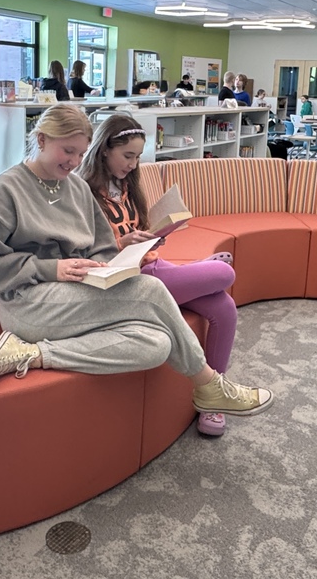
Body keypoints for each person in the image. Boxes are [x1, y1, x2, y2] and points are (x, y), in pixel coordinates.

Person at [0, 104, 274, 424]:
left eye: (80, 153)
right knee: (151, 289)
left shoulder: (76, 189)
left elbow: (100, 249)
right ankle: (210, 386)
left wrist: (118, 263)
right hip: (29, 303)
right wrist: (49, 269)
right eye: (67, 150)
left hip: (77, 295)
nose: (73, 162)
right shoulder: (5, 188)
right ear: (41, 140)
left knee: (157, 344)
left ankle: (32, 354)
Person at [79, 113, 240, 436]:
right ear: (104, 150)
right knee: (223, 272)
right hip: (134, 280)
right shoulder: (82, 193)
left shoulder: (127, 186)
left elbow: (137, 230)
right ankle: (198, 269)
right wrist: (121, 242)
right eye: (128, 156)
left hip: (153, 263)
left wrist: (153, 235)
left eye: (138, 157)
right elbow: (82, 251)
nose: (133, 164)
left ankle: (213, 400)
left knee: (225, 308)